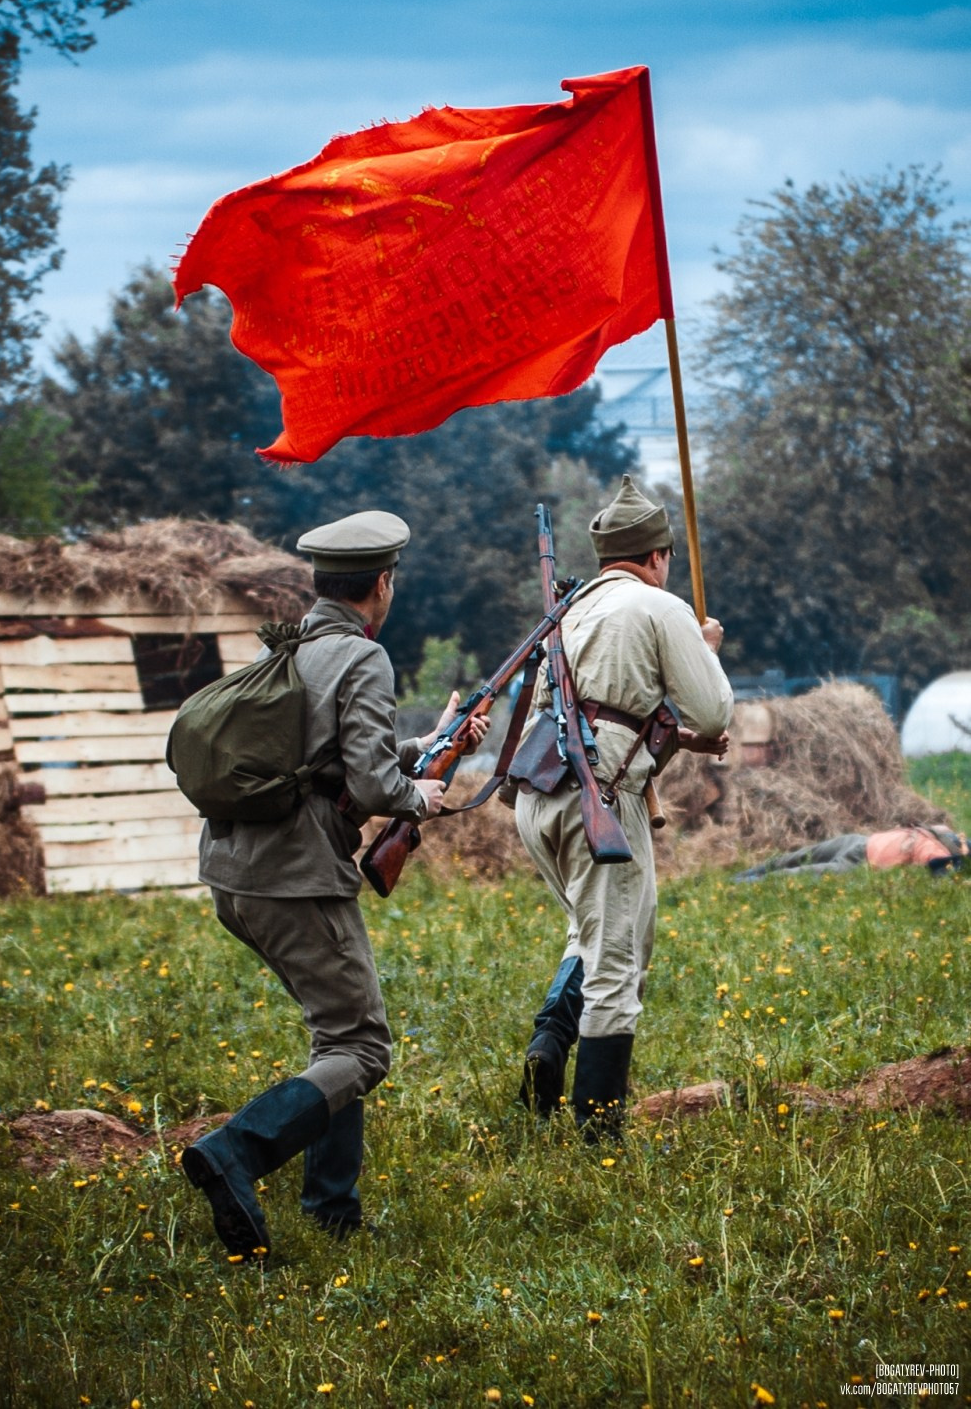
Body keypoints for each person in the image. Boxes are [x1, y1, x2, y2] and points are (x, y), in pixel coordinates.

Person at [181, 509, 486, 1256]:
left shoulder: (296, 649)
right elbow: (377, 786)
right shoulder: (361, 658)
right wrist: (423, 796)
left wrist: (428, 745)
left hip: (235, 876)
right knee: (365, 1050)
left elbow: (329, 752)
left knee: (336, 1041)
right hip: (294, 880)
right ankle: (236, 1153)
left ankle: (332, 1209)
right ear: (383, 583)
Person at [513, 476, 733, 1136]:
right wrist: (705, 650)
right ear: (658, 555)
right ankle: (598, 1136)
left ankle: (551, 1043)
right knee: (617, 961)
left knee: (599, 931)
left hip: (540, 794)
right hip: (598, 796)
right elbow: (714, 709)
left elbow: (602, 708)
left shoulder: (569, 609)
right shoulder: (659, 608)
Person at [734, 824, 968, 881]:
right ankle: (741, 875)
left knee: (797, 873)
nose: (958, 838)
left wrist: (961, 864)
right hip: (858, 842)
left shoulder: (935, 850)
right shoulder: (941, 833)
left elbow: (940, 868)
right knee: (792, 858)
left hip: (858, 862)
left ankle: (742, 884)